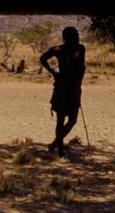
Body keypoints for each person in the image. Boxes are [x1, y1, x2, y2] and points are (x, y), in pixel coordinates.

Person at [40, 26, 86, 156]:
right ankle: (59, 150)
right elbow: (42, 58)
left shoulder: (80, 48)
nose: (76, 37)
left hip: (74, 89)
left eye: (76, 35)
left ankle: (54, 144)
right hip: (62, 88)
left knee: (72, 120)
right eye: (73, 35)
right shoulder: (58, 50)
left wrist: (78, 82)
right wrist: (54, 73)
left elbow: (82, 67)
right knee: (60, 120)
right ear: (66, 37)